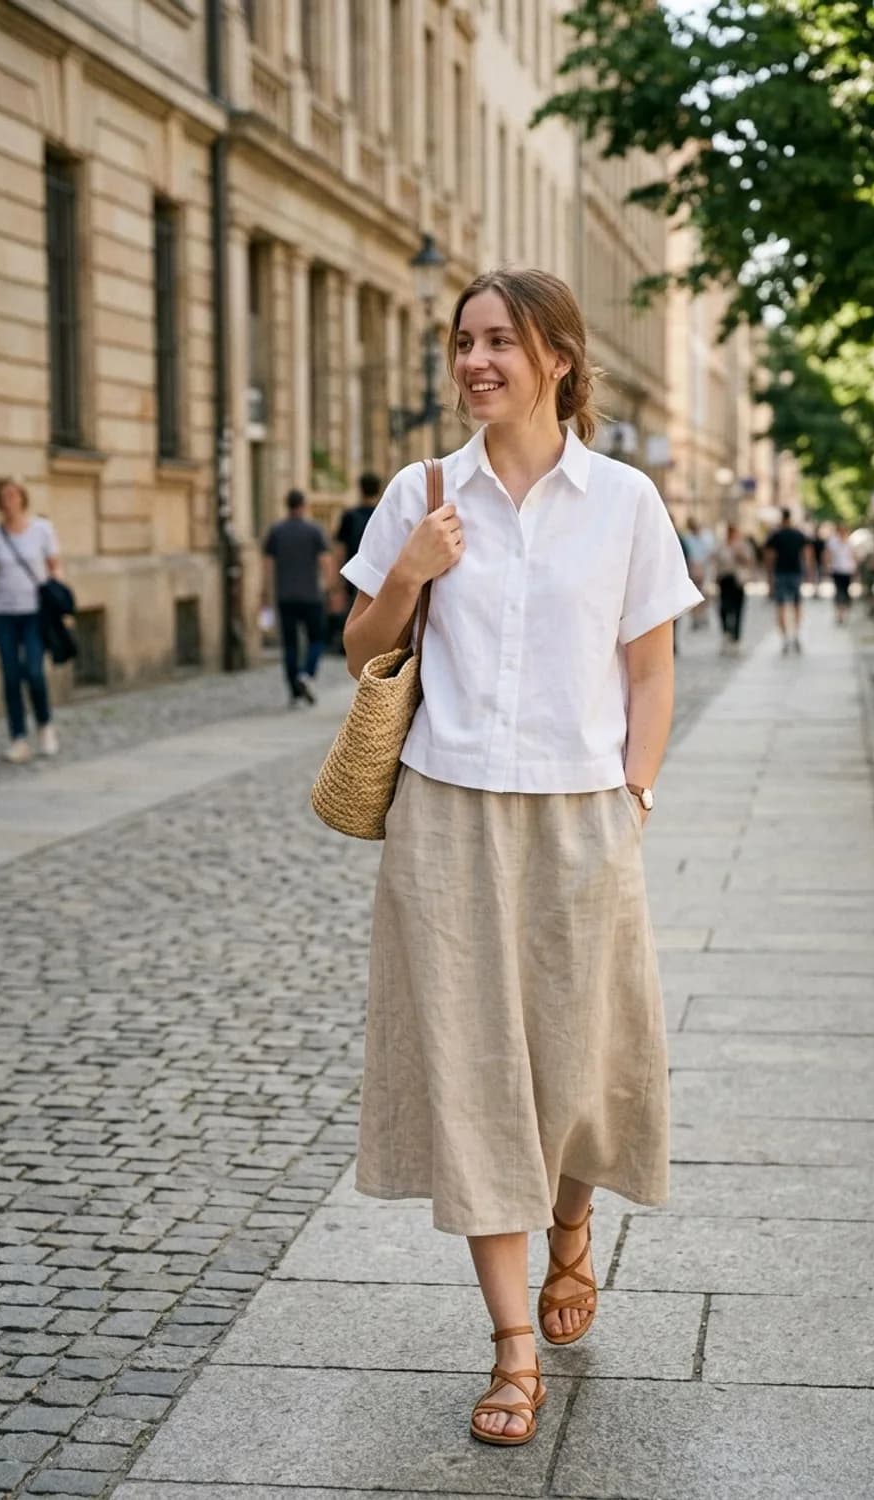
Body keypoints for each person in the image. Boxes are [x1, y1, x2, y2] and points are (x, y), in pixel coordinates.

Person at [340, 268, 702, 1448]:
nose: (475, 361)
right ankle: (507, 1349)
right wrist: (409, 570)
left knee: (576, 1054)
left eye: (501, 341)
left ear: (558, 356)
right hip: (444, 814)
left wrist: (636, 794)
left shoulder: (624, 500)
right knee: (473, 1071)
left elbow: (649, 669)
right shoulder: (421, 489)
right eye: (462, 343)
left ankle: (573, 1231)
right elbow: (360, 648)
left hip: (580, 811)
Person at [0, 478, 62, 763]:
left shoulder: (42, 529)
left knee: (33, 672)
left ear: (23, 498)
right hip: (3, 613)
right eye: (4, 496)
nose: (10, 500)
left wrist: (60, 603)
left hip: (35, 613)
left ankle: (45, 726)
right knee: (10, 676)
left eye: (14, 494)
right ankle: (19, 738)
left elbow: (55, 567)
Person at [262, 489, 331, 706]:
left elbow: (267, 565)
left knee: (290, 645)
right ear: (303, 505)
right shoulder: (314, 531)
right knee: (317, 640)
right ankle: (307, 674)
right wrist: (328, 587)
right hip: (311, 595)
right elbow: (325, 562)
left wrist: (266, 591)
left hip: (285, 595)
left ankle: (293, 691)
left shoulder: (276, 531)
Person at [326, 473, 383, 654]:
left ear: (360, 490)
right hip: (380, 570)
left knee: (354, 608)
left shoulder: (350, 516)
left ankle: (352, 646)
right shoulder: (382, 512)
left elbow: (339, 548)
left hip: (354, 570)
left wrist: (337, 577)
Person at [764, 508, 814, 654]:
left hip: (780, 573)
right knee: (796, 605)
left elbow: (769, 556)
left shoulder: (776, 536)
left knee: (781, 607)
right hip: (795, 573)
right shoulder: (798, 534)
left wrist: (769, 577)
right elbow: (807, 553)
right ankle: (796, 634)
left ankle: (785, 638)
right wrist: (809, 572)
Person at [712, 521, 752, 653]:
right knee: (724, 608)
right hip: (725, 581)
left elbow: (749, 561)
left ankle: (736, 638)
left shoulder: (742, 545)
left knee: (738, 610)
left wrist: (738, 553)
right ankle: (726, 633)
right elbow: (715, 561)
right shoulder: (721, 546)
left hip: (738, 581)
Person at [682, 517, 713, 628]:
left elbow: (710, 553)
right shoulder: (687, 539)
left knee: (705, 595)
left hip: (705, 569)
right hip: (692, 570)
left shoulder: (706, 537)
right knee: (693, 596)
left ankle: (703, 615)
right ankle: (695, 618)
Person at [824, 522, 857, 625]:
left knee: (846, 591)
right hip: (837, 570)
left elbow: (854, 556)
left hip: (848, 570)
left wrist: (855, 569)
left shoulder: (850, 541)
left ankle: (844, 611)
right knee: (838, 591)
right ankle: (839, 613)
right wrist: (828, 566)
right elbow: (828, 554)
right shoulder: (833, 542)